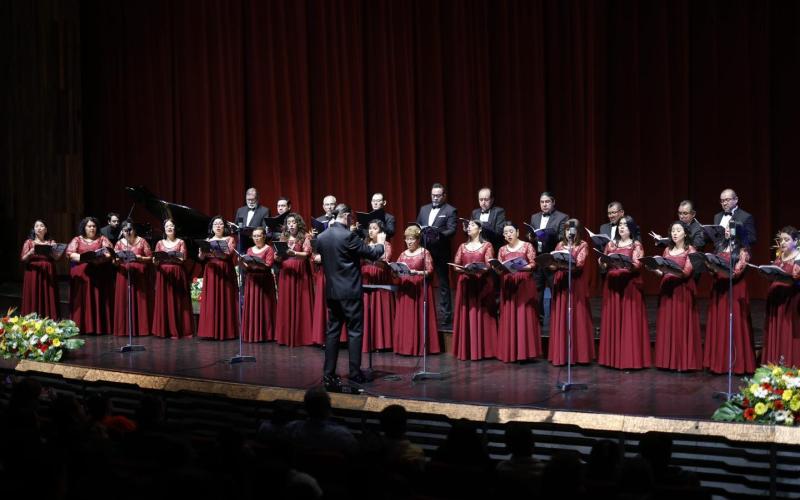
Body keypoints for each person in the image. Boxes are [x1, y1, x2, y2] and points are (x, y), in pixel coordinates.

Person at [315, 204, 386, 386]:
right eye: (351, 218)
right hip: (350, 292)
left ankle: (328, 373)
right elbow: (373, 254)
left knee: (332, 333)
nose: (352, 222)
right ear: (345, 216)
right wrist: (380, 241)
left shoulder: (322, 237)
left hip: (332, 292)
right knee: (354, 332)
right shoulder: (348, 236)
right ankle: (354, 373)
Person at [597, 216, 650, 369]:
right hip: (613, 284)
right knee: (613, 318)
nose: (622, 228)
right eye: (620, 225)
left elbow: (637, 264)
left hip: (629, 285)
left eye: (625, 226)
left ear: (631, 229)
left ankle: (629, 359)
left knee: (628, 320)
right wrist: (602, 261)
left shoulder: (636, 244)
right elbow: (602, 263)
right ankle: (611, 358)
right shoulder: (611, 244)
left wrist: (624, 264)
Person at [703, 224, 756, 374]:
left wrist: (718, 269)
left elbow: (736, 273)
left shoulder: (743, 251)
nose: (726, 230)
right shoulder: (720, 247)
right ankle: (718, 363)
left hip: (735, 290)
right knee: (719, 323)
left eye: (730, 228)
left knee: (735, 324)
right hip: (719, 288)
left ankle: (737, 364)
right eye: (726, 228)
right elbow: (714, 269)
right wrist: (710, 266)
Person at [653, 221, 702, 371]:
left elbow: (686, 272)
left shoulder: (691, 250)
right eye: (673, 230)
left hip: (682, 291)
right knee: (668, 324)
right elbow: (662, 273)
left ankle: (682, 362)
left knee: (681, 324)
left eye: (678, 230)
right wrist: (654, 268)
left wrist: (668, 269)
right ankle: (666, 361)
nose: (674, 233)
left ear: (685, 233)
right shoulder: (667, 250)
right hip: (667, 290)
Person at [548, 219, 595, 365]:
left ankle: (579, 355)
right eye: (567, 230)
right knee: (561, 315)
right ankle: (561, 354)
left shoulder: (583, 245)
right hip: (562, 281)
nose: (569, 232)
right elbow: (553, 264)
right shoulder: (560, 245)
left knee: (577, 314)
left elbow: (579, 264)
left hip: (575, 283)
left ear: (578, 231)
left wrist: (562, 263)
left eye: (572, 230)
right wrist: (551, 264)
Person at [494, 222, 541, 362]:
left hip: (523, 283)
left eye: (511, 231)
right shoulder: (502, 249)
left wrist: (520, 266)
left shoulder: (527, 246)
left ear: (517, 232)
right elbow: (499, 266)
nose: (508, 234)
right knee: (509, 315)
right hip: (508, 284)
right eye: (506, 232)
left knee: (523, 315)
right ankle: (510, 351)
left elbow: (533, 264)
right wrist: (498, 269)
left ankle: (525, 352)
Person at [451, 220, 497, 361]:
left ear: (480, 229)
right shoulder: (463, 246)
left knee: (482, 314)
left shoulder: (487, 245)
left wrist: (478, 269)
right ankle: (467, 349)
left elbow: (489, 265)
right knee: (467, 314)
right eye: (468, 226)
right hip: (466, 283)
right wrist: (464, 270)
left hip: (481, 283)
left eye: (472, 226)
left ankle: (485, 349)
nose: (469, 228)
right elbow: (456, 265)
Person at [393, 225, 441, 356]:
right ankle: (405, 346)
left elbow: (430, 270)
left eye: (412, 239)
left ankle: (419, 346)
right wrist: (395, 272)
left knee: (419, 317)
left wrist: (417, 272)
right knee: (406, 318)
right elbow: (397, 269)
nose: (408, 242)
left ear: (418, 239)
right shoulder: (403, 254)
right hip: (406, 288)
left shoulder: (424, 252)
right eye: (407, 239)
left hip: (419, 288)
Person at [416, 183, 458, 329]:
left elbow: (452, 230)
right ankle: (424, 312)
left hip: (441, 252)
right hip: (425, 250)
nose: (435, 198)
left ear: (444, 195)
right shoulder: (424, 209)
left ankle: (446, 315)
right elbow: (417, 226)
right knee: (423, 281)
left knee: (443, 284)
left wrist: (438, 234)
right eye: (433, 195)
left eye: (438, 195)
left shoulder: (450, 210)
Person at [66, 216, 115, 334]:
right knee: (82, 300)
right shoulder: (77, 239)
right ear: (84, 227)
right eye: (89, 226)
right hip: (82, 274)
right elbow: (70, 253)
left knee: (97, 298)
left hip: (98, 272)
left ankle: (98, 327)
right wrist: (82, 258)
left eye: (94, 226)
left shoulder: (102, 239)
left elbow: (110, 252)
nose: (92, 228)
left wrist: (101, 258)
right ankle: (81, 326)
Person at [761, 226, 800, 366]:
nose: (782, 242)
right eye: (781, 239)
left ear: (796, 241)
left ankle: (789, 365)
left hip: (789, 301)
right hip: (775, 300)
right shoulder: (780, 255)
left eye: (787, 240)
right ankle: (774, 364)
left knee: (787, 332)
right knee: (775, 331)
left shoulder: (798, 258)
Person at [274, 213, 315, 346]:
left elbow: (307, 254)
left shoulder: (305, 237)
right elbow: (280, 257)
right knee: (286, 302)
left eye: (294, 222)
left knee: (300, 300)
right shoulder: (283, 237)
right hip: (286, 273)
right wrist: (277, 257)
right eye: (289, 222)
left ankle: (303, 336)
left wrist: (295, 253)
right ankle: (285, 336)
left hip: (300, 272)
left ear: (298, 224)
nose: (291, 224)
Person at [196, 216, 238, 340]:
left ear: (224, 227)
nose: (218, 226)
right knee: (211, 299)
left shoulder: (230, 239)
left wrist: (215, 253)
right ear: (212, 227)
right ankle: (210, 331)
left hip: (224, 270)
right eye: (215, 224)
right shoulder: (207, 240)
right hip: (211, 271)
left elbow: (228, 255)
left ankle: (227, 331)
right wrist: (202, 254)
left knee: (226, 298)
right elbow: (201, 258)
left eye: (220, 224)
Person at [529, 191, 569, 317]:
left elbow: (563, 237)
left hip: (552, 258)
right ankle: (538, 318)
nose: (544, 204)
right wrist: (531, 237)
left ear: (553, 202)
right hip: (539, 257)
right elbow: (533, 234)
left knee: (555, 288)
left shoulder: (562, 217)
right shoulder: (534, 217)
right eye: (542, 202)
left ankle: (556, 318)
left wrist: (548, 235)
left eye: (547, 202)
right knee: (537, 289)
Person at [152, 218, 193, 339]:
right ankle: (164, 330)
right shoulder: (159, 243)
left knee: (178, 301)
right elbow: (155, 261)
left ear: (175, 228)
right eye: (167, 226)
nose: (169, 228)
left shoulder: (181, 242)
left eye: (171, 226)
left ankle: (179, 329)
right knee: (164, 300)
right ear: (164, 229)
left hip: (177, 273)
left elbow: (183, 258)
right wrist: (156, 260)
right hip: (163, 274)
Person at [112, 220, 153, 337]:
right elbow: (114, 261)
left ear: (134, 230)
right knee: (124, 300)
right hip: (124, 274)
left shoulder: (142, 241)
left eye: (130, 230)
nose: (128, 232)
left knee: (140, 300)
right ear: (122, 231)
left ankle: (142, 328)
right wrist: (116, 260)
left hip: (139, 274)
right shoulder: (120, 243)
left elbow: (150, 257)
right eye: (125, 230)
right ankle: (124, 330)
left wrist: (140, 258)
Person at [361, 220, 394, 353]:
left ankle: (382, 343)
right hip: (366, 279)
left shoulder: (386, 244)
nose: (371, 231)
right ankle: (367, 342)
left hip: (380, 280)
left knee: (380, 309)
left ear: (381, 231)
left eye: (374, 228)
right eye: (369, 228)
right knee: (366, 310)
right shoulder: (364, 243)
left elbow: (385, 258)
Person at [241, 227, 277, 342]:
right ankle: (252, 334)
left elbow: (268, 265)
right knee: (252, 307)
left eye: (259, 236)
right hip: (252, 280)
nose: (256, 238)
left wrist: (257, 264)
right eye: (254, 236)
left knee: (265, 307)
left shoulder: (269, 249)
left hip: (264, 281)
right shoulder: (249, 250)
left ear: (264, 236)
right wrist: (241, 263)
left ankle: (266, 334)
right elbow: (246, 267)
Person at [20, 219, 60, 318]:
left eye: (41, 226)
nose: (39, 228)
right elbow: (23, 259)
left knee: (48, 294)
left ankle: (49, 318)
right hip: (33, 272)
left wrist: (54, 250)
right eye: (36, 226)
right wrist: (30, 253)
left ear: (46, 229)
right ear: (34, 229)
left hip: (48, 271)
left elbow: (57, 258)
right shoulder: (29, 242)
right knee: (34, 294)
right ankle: (32, 319)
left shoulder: (51, 242)